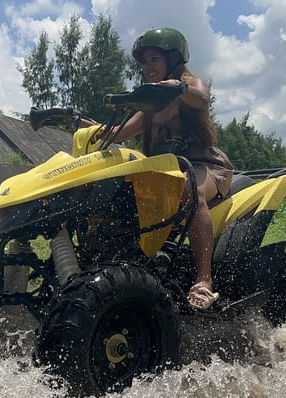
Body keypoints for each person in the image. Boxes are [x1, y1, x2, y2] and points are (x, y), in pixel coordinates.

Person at [83, 27, 234, 310]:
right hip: (163, 172)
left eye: (154, 59)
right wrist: (82, 125)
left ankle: (204, 281)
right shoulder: (150, 107)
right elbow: (116, 132)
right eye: (144, 62)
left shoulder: (191, 87)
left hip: (204, 166)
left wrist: (178, 87)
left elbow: (200, 97)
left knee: (192, 192)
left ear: (173, 59)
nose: (147, 67)